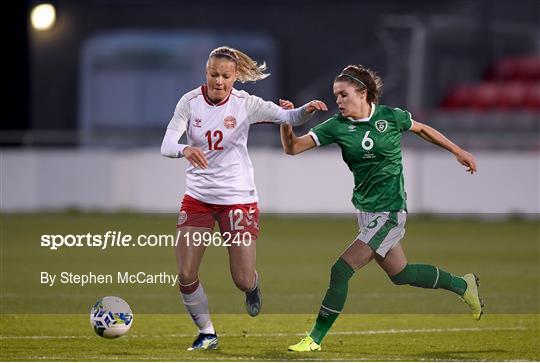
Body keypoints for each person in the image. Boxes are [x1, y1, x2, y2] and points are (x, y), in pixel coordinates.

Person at [281, 64, 483, 352]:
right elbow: (293, 148)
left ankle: (314, 339)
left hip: (390, 212)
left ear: (363, 93)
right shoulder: (336, 126)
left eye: (343, 94)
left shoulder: (390, 117)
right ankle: (464, 286)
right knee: (401, 274)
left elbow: (423, 129)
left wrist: (458, 151)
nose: (338, 101)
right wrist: (286, 122)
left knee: (341, 269)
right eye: (335, 95)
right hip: (365, 212)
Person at [160, 46, 327, 351]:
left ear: (235, 77)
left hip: (237, 198)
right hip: (197, 197)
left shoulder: (246, 104)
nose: (219, 81)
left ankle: (252, 286)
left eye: (225, 76)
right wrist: (184, 148)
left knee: (241, 278)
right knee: (185, 273)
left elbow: (288, 116)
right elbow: (167, 142)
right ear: (206, 73)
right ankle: (207, 334)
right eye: (214, 74)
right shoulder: (190, 102)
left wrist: (307, 110)